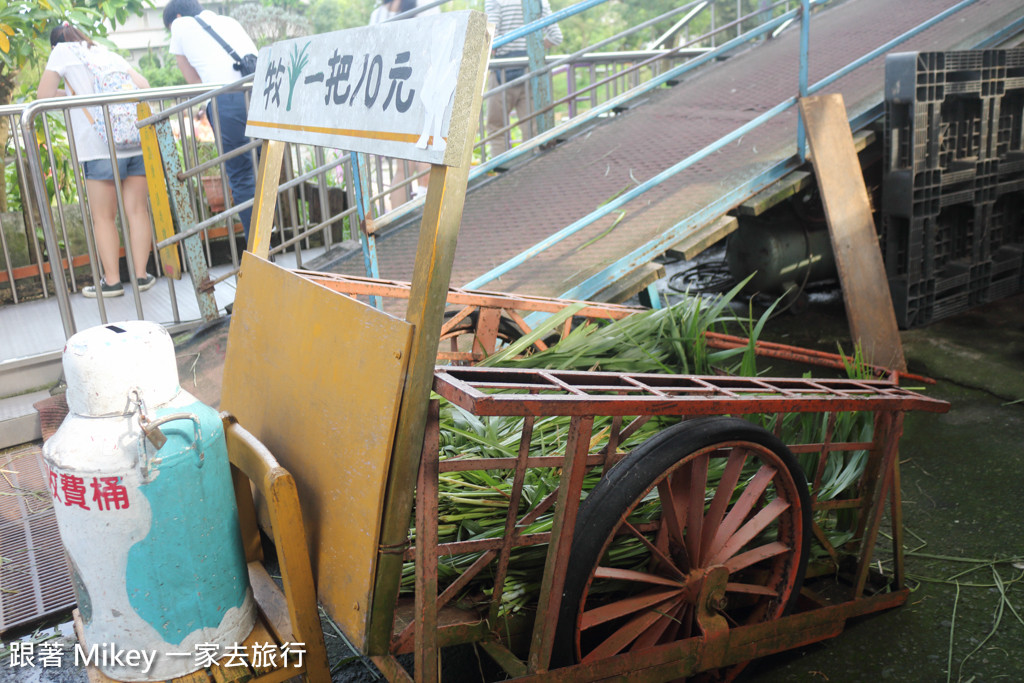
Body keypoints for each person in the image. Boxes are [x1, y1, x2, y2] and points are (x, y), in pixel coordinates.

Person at [37, 23, 155, 299]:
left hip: (99, 146)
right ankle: (141, 276)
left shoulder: (62, 52)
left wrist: (72, 94)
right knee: (138, 210)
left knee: (104, 217)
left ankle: (112, 281)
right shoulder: (105, 52)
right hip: (134, 139)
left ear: (56, 43)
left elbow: (42, 96)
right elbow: (144, 85)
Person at [163, 0, 258, 245]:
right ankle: (269, 245)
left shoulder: (179, 24)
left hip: (227, 100)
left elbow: (194, 83)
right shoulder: (228, 21)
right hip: (261, 93)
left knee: (242, 176)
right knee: (263, 170)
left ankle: (260, 252)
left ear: (178, 15)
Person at [369, 0, 439, 206]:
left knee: (402, 164)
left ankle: (398, 217)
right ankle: (423, 215)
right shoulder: (426, 6)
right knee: (425, 155)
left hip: (392, 92)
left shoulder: (379, 14)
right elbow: (437, 43)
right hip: (421, 85)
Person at [484, 0, 563, 157]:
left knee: (496, 127)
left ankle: (501, 168)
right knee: (531, 127)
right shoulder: (539, 1)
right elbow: (556, 37)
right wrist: (533, 47)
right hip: (530, 69)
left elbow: (489, 37)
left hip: (503, 70)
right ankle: (531, 168)